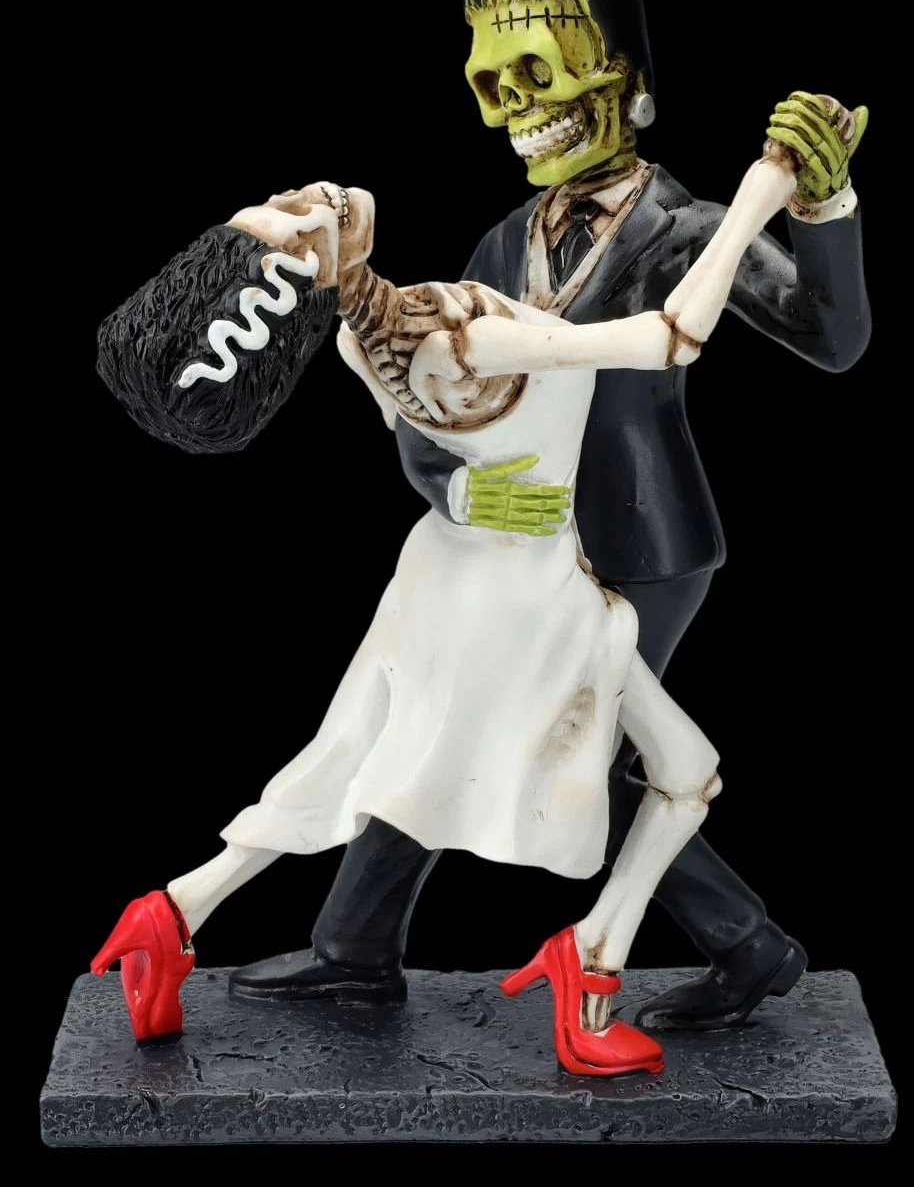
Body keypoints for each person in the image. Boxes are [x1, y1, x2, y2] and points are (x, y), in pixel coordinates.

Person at [234, 0, 870, 1033]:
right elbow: (437, 397)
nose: (512, 111)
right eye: (490, 83)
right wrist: (453, 492)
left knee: (582, 748)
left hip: (638, 535)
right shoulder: (504, 240)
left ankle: (744, 945)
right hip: (519, 535)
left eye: (537, 74)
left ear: (625, 78)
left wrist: (823, 201)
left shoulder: (681, 229)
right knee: (445, 711)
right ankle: (357, 946)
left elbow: (831, 337)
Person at [93, 147, 800, 1076]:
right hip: (531, 597)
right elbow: (670, 336)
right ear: (303, 277)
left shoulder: (358, 344)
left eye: (275, 201)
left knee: (361, 753)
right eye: (294, 221)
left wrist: (468, 491)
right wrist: (759, 193)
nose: (305, 194)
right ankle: (587, 976)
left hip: (450, 570)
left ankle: (173, 911)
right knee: (671, 774)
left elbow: (431, 438)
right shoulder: (470, 336)